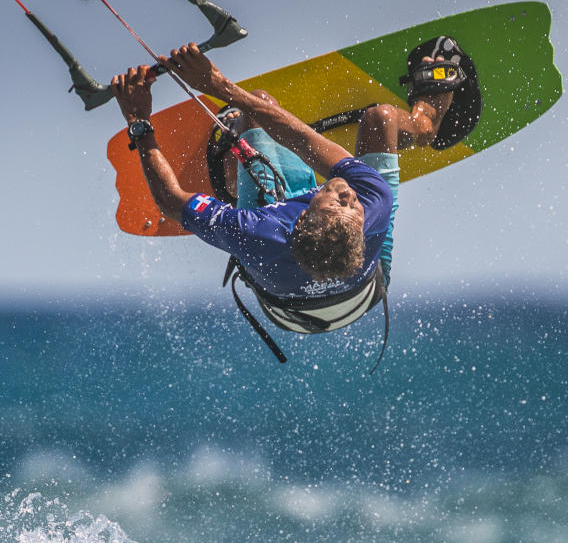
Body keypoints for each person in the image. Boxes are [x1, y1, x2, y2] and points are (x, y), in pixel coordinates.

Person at [110, 42, 462, 361]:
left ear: (302, 210)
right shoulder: (372, 204)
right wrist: (221, 88)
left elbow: (171, 201)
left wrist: (138, 121)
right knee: (380, 119)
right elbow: (306, 142)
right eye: (351, 203)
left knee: (259, 105)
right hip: (365, 288)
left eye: (339, 200)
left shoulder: (258, 231)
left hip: (285, 310)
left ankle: (233, 179)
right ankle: (426, 122)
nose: (348, 192)